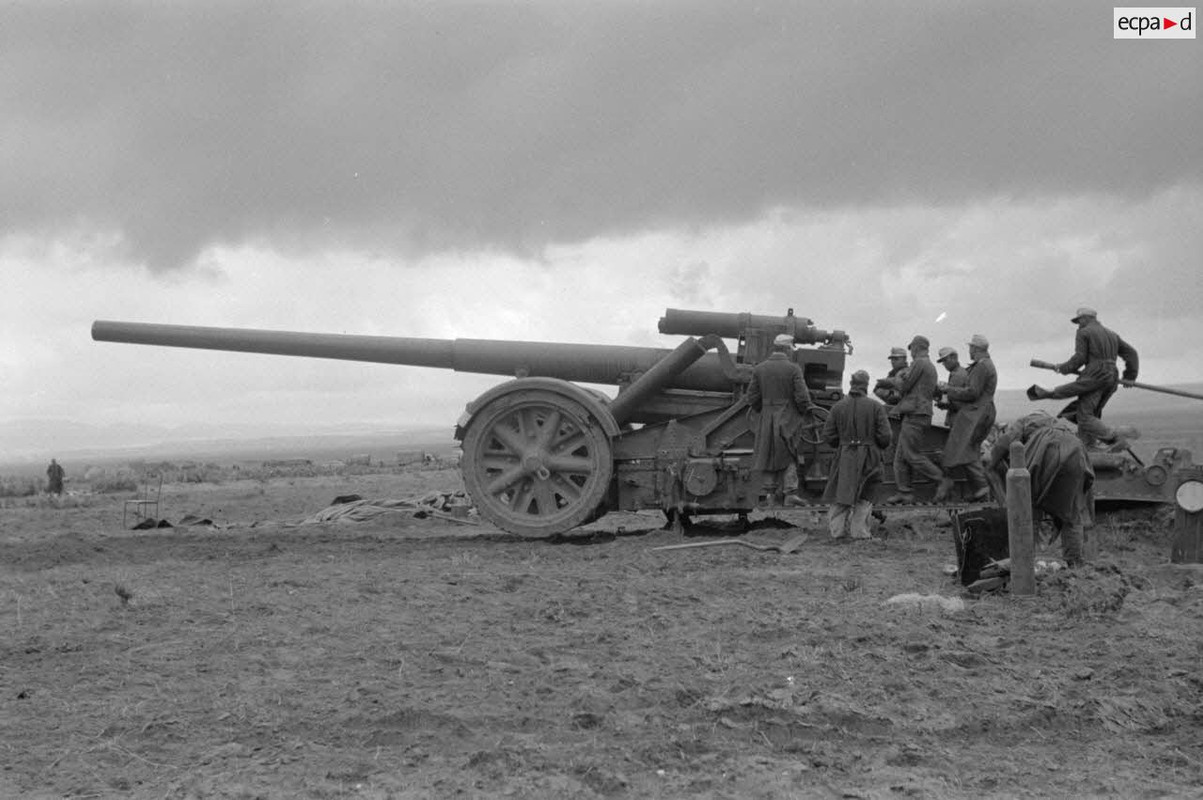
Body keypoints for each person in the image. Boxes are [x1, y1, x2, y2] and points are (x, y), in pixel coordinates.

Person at [988, 411, 1094, 567]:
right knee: (1072, 512)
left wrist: (1004, 501)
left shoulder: (1021, 423)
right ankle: (1074, 564)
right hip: (1076, 451)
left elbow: (998, 452)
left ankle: (1024, 562)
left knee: (1028, 507)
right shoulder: (1054, 423)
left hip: (1046, 449)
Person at [1033, 306, 1140, 449]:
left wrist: (1064, 368)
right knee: (1091, 414)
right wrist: (1130, 376)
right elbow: (1132, 354)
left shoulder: (1084, 332)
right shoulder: (1112, 334)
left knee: (1084, 417)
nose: (1078, 324)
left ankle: (1114, 436)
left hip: (1095, 375)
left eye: (1079, 320)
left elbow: (1080, 358)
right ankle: (1088, 446)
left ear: (1086, 319)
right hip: (1112, 376)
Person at [822, 370, 893, 540]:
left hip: (845, 455)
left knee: (841, 494)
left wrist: (842, 445)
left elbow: (828, 435)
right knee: (865, 496)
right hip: (869, 456)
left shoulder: (837, 407)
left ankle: (837, 533)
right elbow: (886, 436)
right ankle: (859, 534)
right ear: (866, 386)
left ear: (851, 384)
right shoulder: (876, 407)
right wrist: (876, 446)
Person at [746, 333, 813, 506]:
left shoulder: (759, 369)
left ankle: (770, 495)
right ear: (786, 349)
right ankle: (790, 493)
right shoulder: (793, 369)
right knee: (790, 452)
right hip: (788, 416)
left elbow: (752, 397)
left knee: (767, 453)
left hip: (767, 415)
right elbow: (803, 398)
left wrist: (764, 410)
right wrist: (800, 413)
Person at [881, 335, 946, 503]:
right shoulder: (928, 365)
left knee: (911, 455)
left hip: (916, 413)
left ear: (917, 347)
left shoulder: (920, 363)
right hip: (917, 413)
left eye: (912, 349)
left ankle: (941, 480)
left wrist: (891, 381)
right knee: (900, 457)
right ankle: (904, 492)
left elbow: (904, 386)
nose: (911, 353)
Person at [937, 335, 997, 502]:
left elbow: (973, 392)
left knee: (963, 450)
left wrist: (948, 389)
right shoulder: (984, 365)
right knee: (967, 450)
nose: (969, 351)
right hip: (981, 412)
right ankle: (980, 489)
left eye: (971, 348)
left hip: (977, 413)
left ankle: (982, 488)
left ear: (976, 349)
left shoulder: (982, 366)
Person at [934, 347, 968, 427]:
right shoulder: (962, 372)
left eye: (945, 360)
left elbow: (957, 404)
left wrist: (941, 402)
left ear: (954, 358)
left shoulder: (957, 375)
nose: (944, 364)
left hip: (958, 421)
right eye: (943, 362)